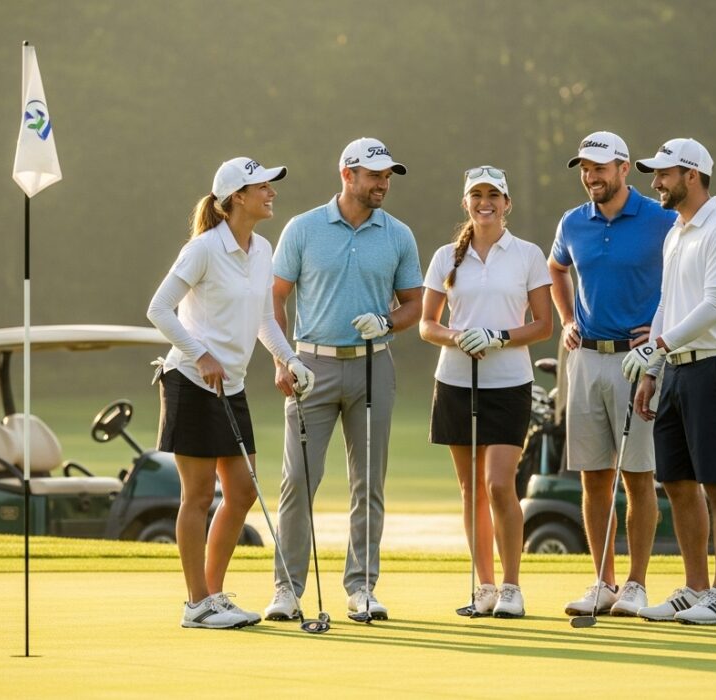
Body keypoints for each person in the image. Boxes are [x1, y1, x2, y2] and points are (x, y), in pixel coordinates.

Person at [147, 157, 314, 629]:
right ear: (237, 197)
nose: (271, 192)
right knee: (197, 497)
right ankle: (196, 603)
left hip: (231, 385)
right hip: (191, 381)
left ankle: (214, 595)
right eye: (262, 186)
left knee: (241, 493)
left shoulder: (262, 249)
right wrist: (199, 353)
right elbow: (158, 309)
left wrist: (290, 359)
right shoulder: (203, 249)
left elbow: (264, 320)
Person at [265, 137, 422, 622]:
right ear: (347, 174)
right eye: (374, 176)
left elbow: (415, 305)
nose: (383, 184)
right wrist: (281, 359)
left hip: (375, 365)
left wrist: (389, 322)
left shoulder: (398, 235)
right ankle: (287, 590)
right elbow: (274, 299)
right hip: (311, 366)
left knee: (368, 483)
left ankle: (362, 587)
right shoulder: (304, 228)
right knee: (298, 481)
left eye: (387, 177)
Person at [623, 137, 716, 625]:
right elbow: (665, 305)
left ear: (691, 175)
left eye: (664, 174)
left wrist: (657, 348)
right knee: (676, 482)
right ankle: (695, 587)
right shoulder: (677, 232)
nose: (655, 182)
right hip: (675, 369)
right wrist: (653, 369)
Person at [548, 131, 676, 618]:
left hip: (635, 360)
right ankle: (603, 581)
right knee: (593, 479)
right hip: (585, 359)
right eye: (584, 167)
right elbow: (556, 269)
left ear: (624, 168)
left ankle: (637, 585)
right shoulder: (573, 222)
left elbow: (685, 274)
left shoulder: (659, 219)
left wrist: (661, 325)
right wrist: (566, 320)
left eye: (599, 167)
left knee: (638, 477)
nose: (590, 176)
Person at [420, 166, 553, 618]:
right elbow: (427, 324)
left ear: (507, 203)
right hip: (455, 381)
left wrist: (497, 337)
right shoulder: (446, 258)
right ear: (466, 203)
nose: (485, 202)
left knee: (499, 484)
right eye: (477, 195)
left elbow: (543, 324)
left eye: (493, 194)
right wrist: (457, 337)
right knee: (471, 490)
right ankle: (485, 586)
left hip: (509, 382)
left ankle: (512, 586)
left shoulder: (528, 255)